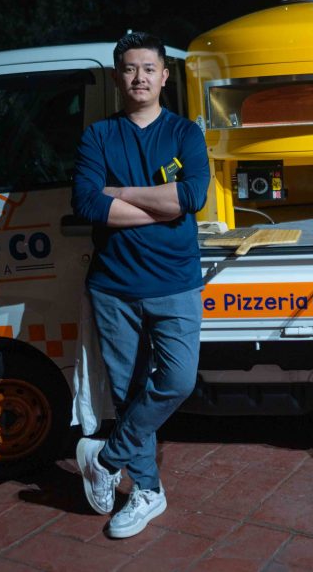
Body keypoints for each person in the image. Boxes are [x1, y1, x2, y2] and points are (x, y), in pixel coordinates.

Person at [71, 31, 210, 538]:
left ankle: (105, 460)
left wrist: (121, 194)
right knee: (130, 393)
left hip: (174, 281)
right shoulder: (98, 136)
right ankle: (148, 491)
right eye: (130, 69)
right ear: (117, 76)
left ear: (164, 76)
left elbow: (191, 196)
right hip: (114, 286)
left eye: (148, 69)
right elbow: (87, 203)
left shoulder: (184, 134)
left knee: (176, 380)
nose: (139, 78)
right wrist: (161, 204)